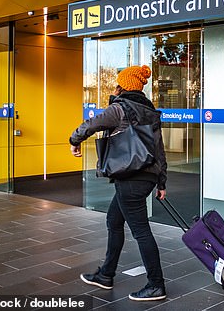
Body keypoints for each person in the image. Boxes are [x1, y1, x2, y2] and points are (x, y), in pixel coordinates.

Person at [69, 65, 168, 302]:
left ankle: (156, 285)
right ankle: (106, 274)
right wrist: (161, 181)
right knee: (114, 220)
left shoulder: (120, 108)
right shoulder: (149, 110)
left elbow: (91, 124)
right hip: (146, 177)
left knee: (141, 231)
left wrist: (74, 140)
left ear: (122, 85)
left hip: (130, 178)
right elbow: (159, 150)